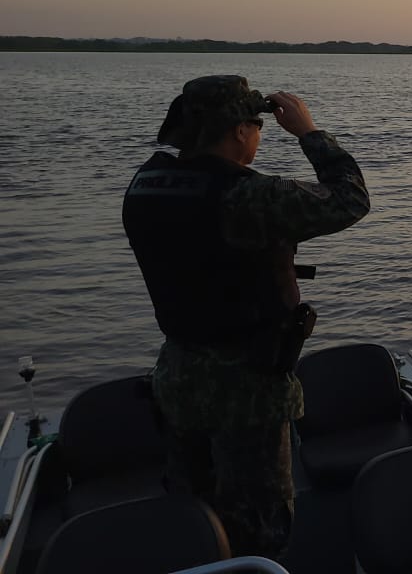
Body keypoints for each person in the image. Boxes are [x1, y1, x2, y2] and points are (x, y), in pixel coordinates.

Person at [121, 75, 370, 559]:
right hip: (246, 392)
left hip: (177, 378)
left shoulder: (146, 185)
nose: (259, 135)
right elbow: (350, 199)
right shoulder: (247, 197)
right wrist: (308, 133)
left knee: (193, 518)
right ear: (239, 132)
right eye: (259, 126)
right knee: (259, 532)